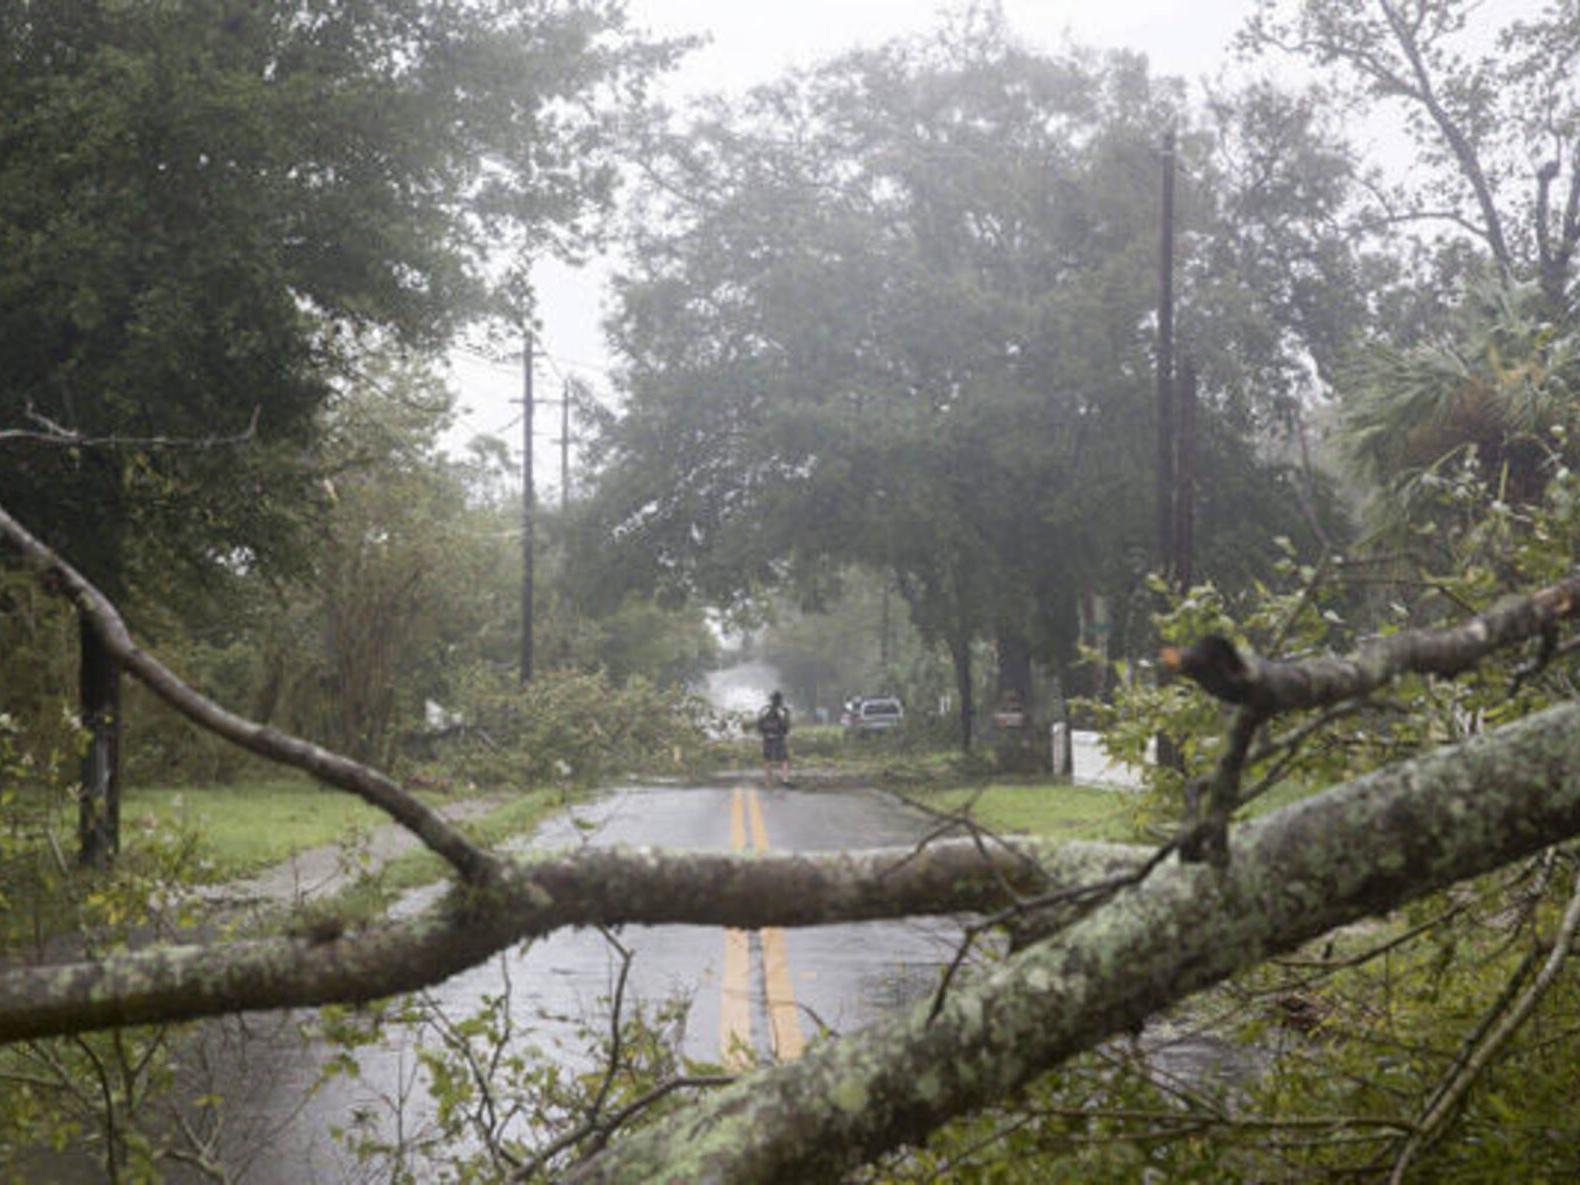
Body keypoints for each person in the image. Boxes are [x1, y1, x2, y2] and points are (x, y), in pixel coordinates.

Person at [756, 690, 792, 787]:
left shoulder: (764, 710)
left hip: (767, 738)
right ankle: (785, 779)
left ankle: (768, 780)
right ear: (781, 700)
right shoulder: (784, 711)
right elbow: (786, 727)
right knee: (784, 759)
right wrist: (785, 735)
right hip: (779, 738)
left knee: (767, 759)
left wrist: (764, 733)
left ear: (771, 699)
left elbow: (759, 725)